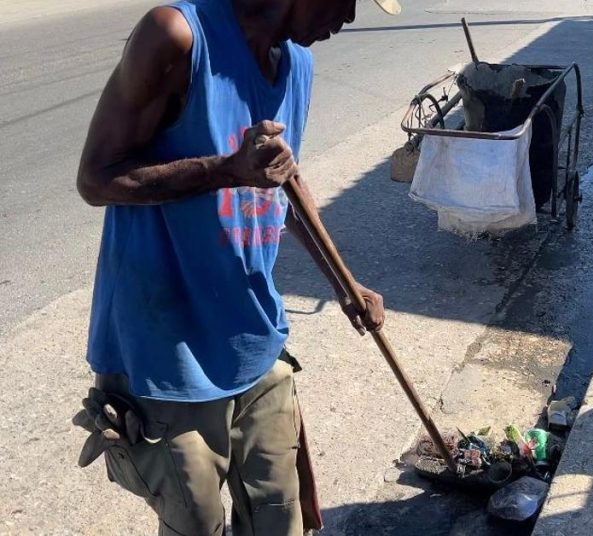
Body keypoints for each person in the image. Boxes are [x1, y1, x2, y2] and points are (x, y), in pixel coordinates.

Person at [72, 0, 401, 533]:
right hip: (166, 356)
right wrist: (225, 170)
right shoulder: (177, 35)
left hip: (256, 343)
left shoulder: (298, 64)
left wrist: (345, 283)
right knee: (196, 524)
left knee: (282, 520)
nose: (351, 17)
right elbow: (96, 178)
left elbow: (283, 180)